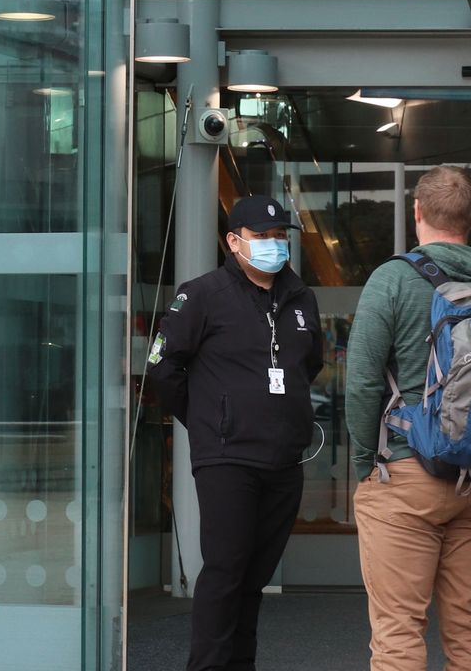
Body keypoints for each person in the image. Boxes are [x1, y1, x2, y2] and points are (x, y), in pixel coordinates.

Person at [345, 165, 471, 671]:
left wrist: (368, 462)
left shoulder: (390, 280)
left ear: (416, 213)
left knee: (398, 635)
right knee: (470, 634)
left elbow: (364, 382)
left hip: (405, 477)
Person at [147, 194, 324, 671]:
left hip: (284, 460)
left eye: (279, 235)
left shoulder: (300, 297)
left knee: (254, 577)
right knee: (225, 572)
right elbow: (163, 368)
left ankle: (241, 663)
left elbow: (310, 363)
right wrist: (210, 422)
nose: (274, 244)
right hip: (226, 458)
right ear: (233, 241)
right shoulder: (202, 294)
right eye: (262, 236)